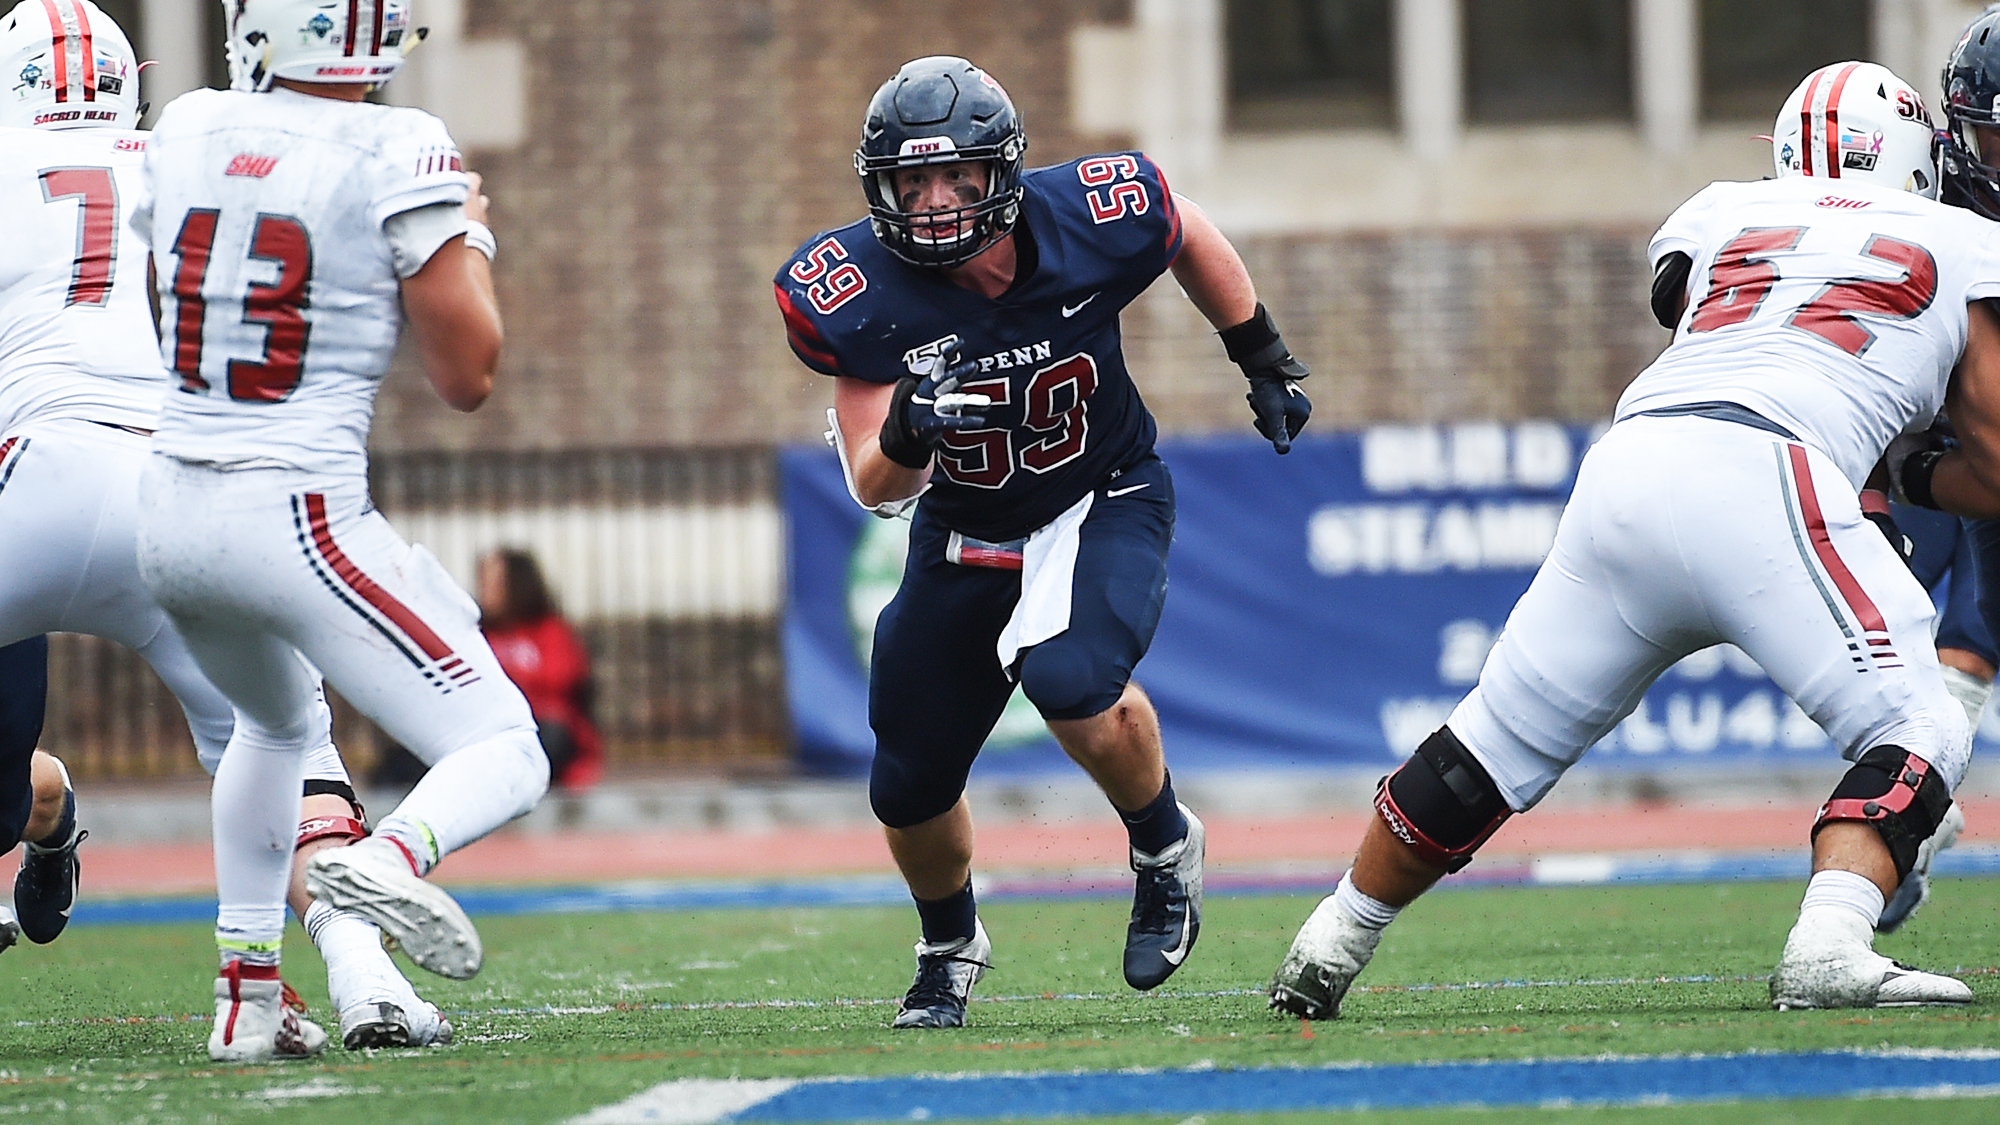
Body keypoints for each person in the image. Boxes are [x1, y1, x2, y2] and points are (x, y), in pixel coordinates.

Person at [1270, 61, 1985, 1019]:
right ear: (1910, 161)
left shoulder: (1721, 209)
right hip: (1776, 472)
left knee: (1491, 741)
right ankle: (1829, 942)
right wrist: (1909, 473)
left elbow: (1686, 302)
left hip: (1633, 460)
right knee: (1922, 724)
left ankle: (1330, 940)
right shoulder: (1963, 239)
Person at [775, 56, 1313, 1028]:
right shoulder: (857, 293)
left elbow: (1184, 228)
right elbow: (871, 483)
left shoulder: (1087, 215)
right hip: (968, 522)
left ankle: (1162, 850)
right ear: (881, 188)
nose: (935, 202)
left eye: (956, 178)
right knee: (906, 780)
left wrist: (1257, 350)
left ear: (1000, 174)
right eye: (912, 181)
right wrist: (908, 429)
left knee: (1069, 680)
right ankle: (947, 949)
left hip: (1102, 490)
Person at [0, 0, 453, 1054]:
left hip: (30, 476)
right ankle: (352, 977)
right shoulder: (185, 154)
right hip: (181, 487)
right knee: (288, 742)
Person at [131, 0, 548, 1060]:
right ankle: (389, 859)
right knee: (504, 745)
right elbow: (470, 376)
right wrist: (470, 231)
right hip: (296, 513)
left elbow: (158, 291)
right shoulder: (400, 145)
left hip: (168, 508)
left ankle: (246, 999)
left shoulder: (184, 124)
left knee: (272, 731)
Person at [478, 549, 604, 790]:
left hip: (539, 729)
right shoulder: (481, 634)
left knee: (547, 738)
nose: (485, 592)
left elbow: (559, 680)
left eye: (495, 583)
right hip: (492, 731)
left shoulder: (551, 632)